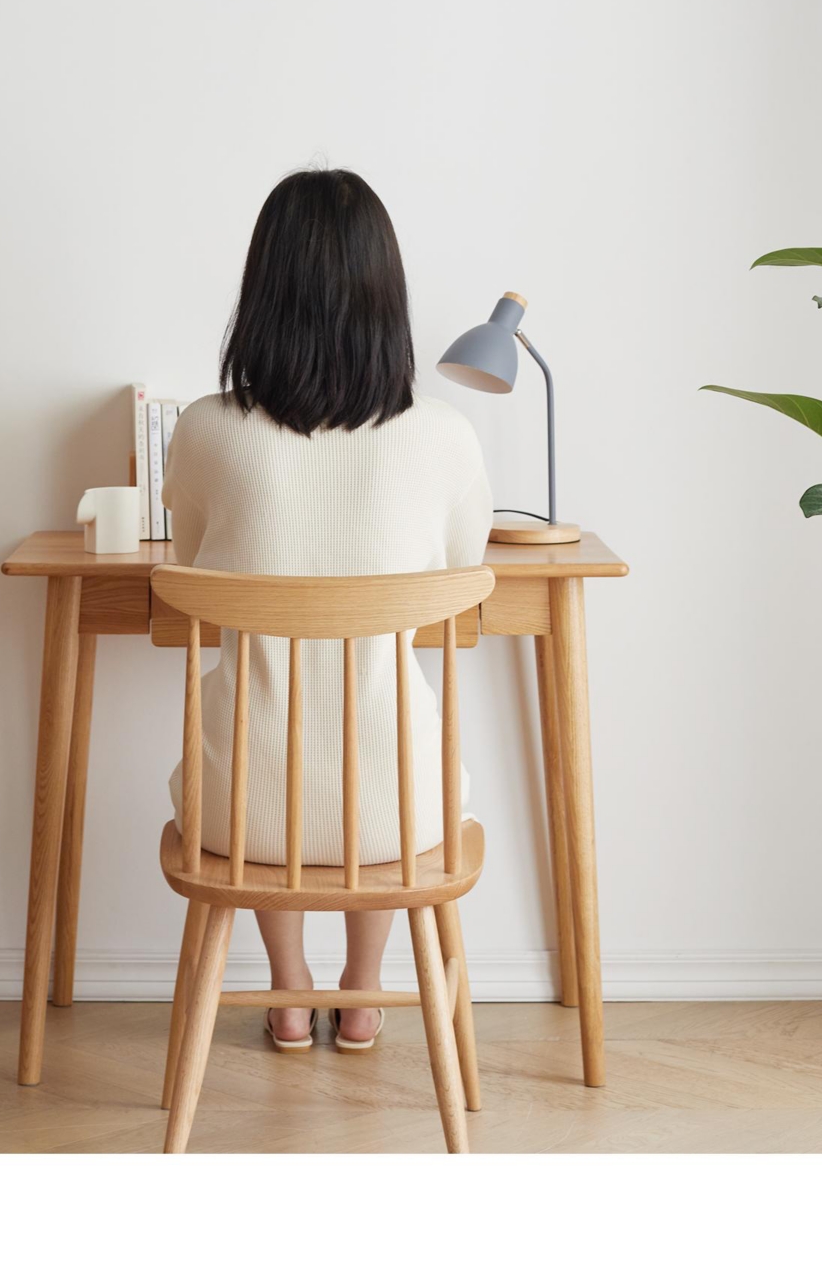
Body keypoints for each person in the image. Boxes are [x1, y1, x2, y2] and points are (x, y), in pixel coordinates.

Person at [162, 167, 492, 1049]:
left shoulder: (201, 430)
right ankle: (365, 985)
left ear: (261, 291)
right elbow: (463, 577)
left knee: (261, 743)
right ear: (388, 295)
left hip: (239, 814)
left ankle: (289, 985)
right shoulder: (446, 437)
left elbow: (190, 563)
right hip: (401, 813)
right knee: (385, 750)